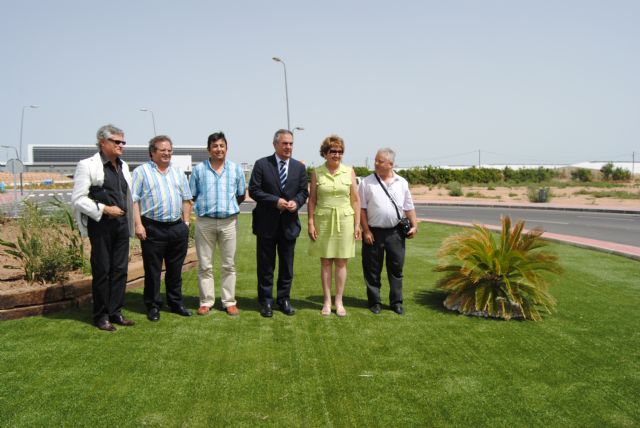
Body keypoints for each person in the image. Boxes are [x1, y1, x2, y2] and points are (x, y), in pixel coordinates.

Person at [72, 124, 135, 331]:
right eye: (117, 142)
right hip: (101, 226)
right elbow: (78, 199)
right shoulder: (87, 165)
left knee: (120, 271)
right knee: (102, 271)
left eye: (123, 142)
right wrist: (105, 209)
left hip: (121, 226)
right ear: (102, 142)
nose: (121, 145)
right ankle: (101, 315)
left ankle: (116, 311)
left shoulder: (123, 166)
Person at [132, 135, 193, 321]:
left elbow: (186, 198)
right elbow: (133, 200)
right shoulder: (141, 172)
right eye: (162, 150)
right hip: (152, 228)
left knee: (175, 270)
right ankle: (153, 305)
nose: (167, 153)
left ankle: (175, 303)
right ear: (152, 152)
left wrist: (186, 223)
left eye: (169, 150)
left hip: (176, 228)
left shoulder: (177, 172)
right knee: (153, 271)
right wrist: (138, 224)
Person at [249, 129, 309, 317]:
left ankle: (284, 299)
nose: (288, 147)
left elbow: (303, 192)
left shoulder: (299, 167)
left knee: (286, 266)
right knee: (266, 266)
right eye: (284, 143)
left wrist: (296, 202)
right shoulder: (261, 164)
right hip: (266, 224)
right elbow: (254, 190)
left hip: (289, 225)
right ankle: (266, 302)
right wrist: (275, 201)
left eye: (291, 143)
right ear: (275, 144)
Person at [189, 132, 246, 317]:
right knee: (205, 265)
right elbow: (193, 195)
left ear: (226, 148)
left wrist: (227, 208)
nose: (219, 149)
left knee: (228, 265)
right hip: (205, 222)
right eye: (215, 146)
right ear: (209, 149)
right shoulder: (198, 170)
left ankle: (229, 302)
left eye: (222, 146)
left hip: (228, 222)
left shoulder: (236, 169)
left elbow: (240, 195)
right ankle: (206, 301)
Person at [358, 148, 418, 315]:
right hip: (373, 233)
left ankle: (396, 302)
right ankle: (374, 302)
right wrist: (366, 230)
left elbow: (408, 207)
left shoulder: (402, 182)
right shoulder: (366, 182)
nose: (376, 163)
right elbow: (361, 209)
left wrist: (415, 225)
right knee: (372, 269)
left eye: (380, 161)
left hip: (396, 233)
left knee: (396, 269)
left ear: (390, 164)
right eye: (375, 160)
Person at [307, 135, 360, 316]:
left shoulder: (349, 171)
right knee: (326, 262)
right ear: (325, 153)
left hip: (345, 220)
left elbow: (356, 200)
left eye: (340, 151)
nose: (337, 155)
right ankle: (327, 301)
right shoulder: (317, 172)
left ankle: (339, 301)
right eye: (333, 151)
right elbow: (312, 200)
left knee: (341, 262)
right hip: (323, 220)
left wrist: (357, 225)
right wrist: (311, 222)